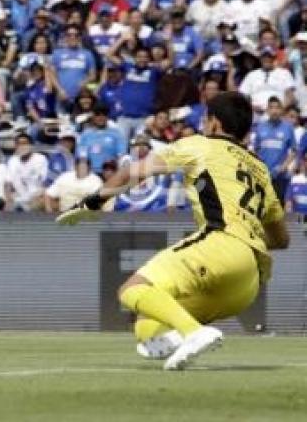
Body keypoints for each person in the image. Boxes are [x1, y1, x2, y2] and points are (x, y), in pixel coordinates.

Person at [57, 92, 289, 370]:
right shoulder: (260, 169)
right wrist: (245, 237)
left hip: (219, 245)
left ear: (213, 123)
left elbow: (135, 171)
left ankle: (194, 333)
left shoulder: (200, 145)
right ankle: (190, 334)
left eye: (206, 119)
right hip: (248, 280)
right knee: (147, 326)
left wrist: (94, 202)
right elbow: (281, 239)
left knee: (131, 290)